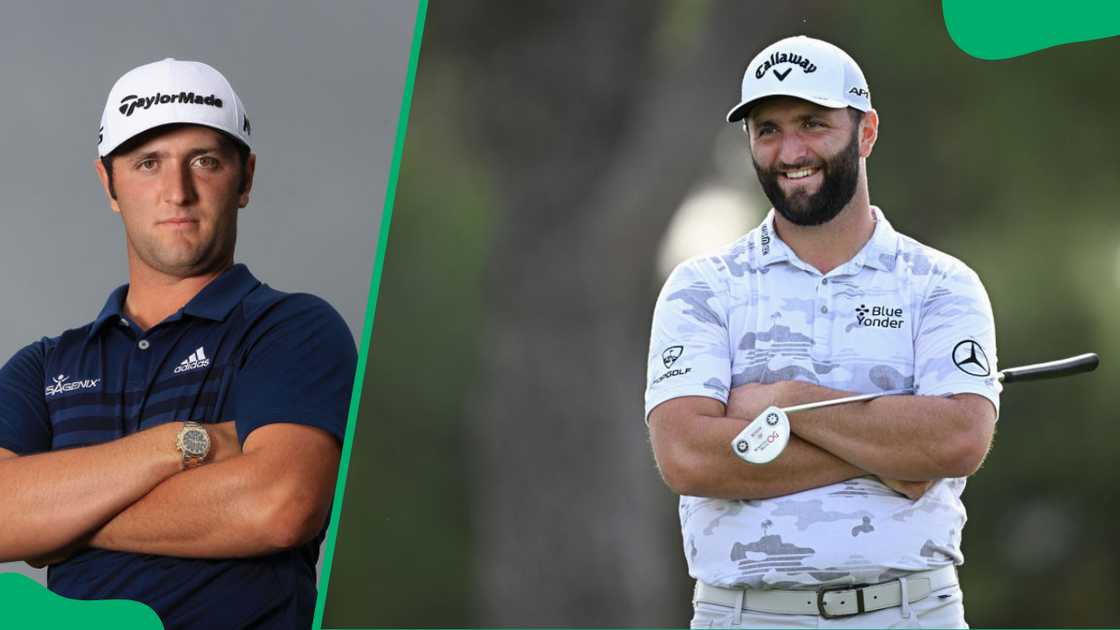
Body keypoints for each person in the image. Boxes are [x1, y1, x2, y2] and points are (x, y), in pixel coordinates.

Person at [645, 36, 1000, 628]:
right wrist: (896, 451)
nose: (791, 151)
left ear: (866, 132)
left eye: (813, 124)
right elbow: (687, 456)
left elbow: (959, 441)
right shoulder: (702, 287)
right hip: (746, 616)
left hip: (912, 613)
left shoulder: (940, 284)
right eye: (768, 130)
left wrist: (786, 403)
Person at [0, 58, 357, 629]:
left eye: (204, 161)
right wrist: (184, 444)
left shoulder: (293, 329)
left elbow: (278, 506)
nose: (177, 192)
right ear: (109, 183)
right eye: (148, 163)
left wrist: (54, 518)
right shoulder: (43, 367)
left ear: (245, 178)